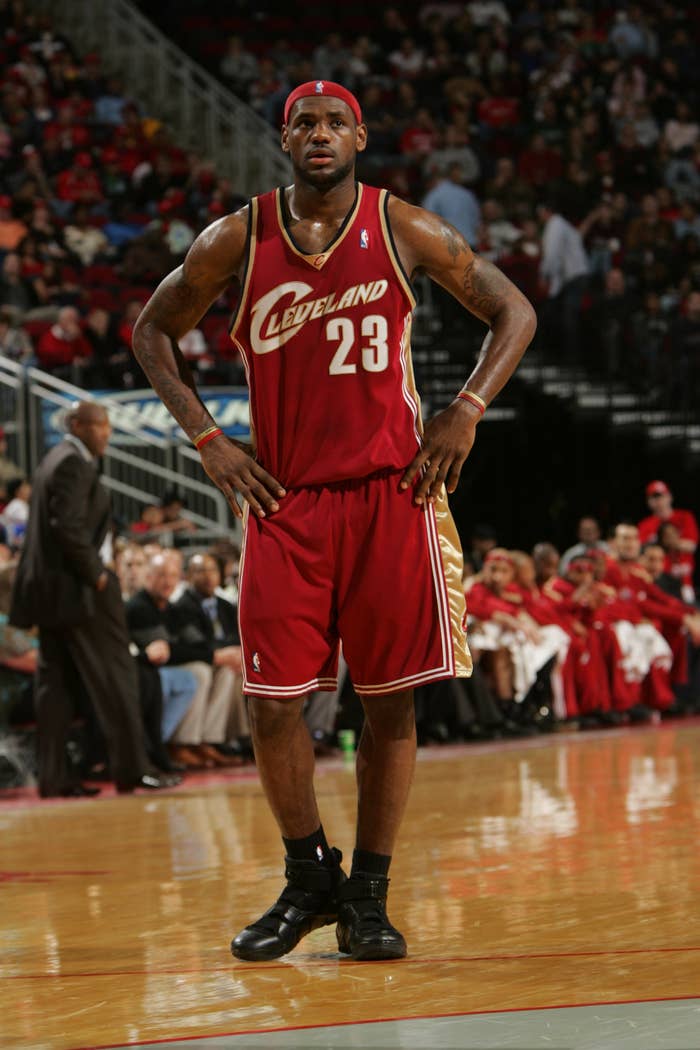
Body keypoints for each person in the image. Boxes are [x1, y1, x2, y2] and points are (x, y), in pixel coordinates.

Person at [132, 80, 535, 962]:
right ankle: (309, 875)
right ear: (284, 140)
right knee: (272, 707)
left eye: (333, 122)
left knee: (388, 704)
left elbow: (514, 308)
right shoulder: (236, 237)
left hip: (393, 496)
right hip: (287, 502)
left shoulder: (405, 228)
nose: (319, 134)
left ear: (359, 134)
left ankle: (370, 896)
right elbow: (151, 332)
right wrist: (207, 438)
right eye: (302, 123)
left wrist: (465, 407)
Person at [8, 401, 179, 796]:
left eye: (107, 426)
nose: (107, 433)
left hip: (52, 594)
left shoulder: (55, 458)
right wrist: (98, 575)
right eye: (100, 425)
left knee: (56, 686)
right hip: (78, 591)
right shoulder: (72, 461)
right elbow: (66, 527)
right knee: (118, 677)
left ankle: (54, 778)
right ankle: (133, 770)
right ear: (76, 424)